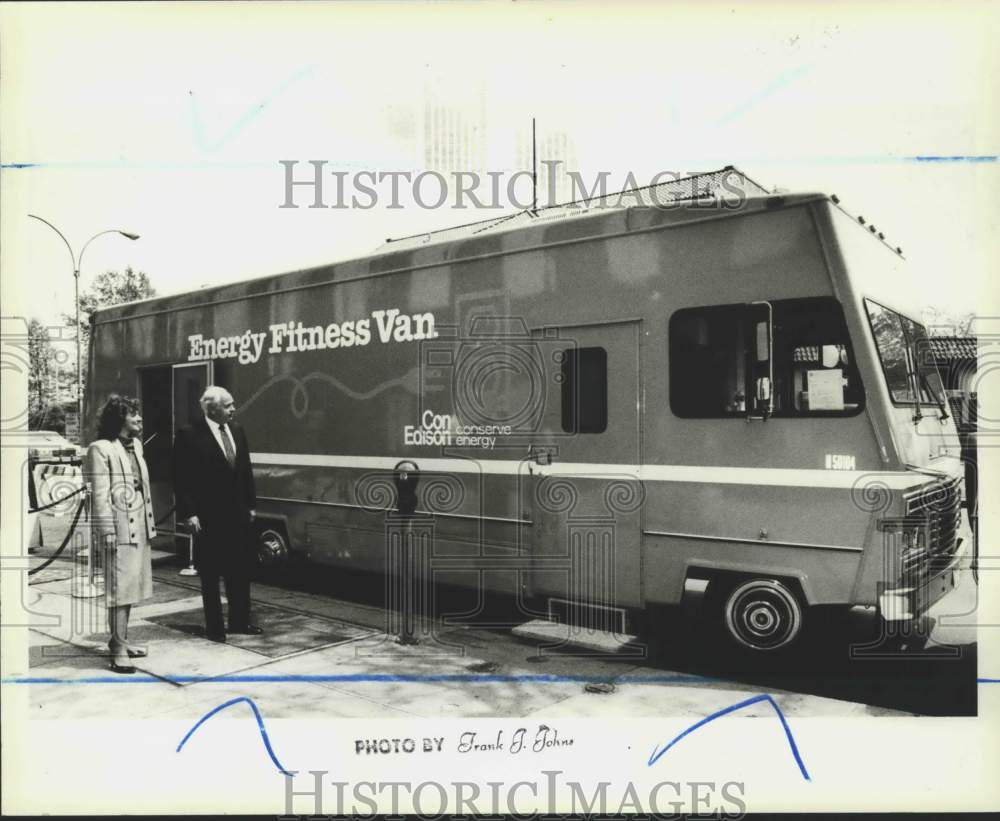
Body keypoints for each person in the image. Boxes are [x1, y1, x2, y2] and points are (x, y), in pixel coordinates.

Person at [172, 385, 261, 642]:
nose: (234, 409)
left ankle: (240, 622)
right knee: (211, 574)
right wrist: (189, 513)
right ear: (212, 408)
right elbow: (182, 478)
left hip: (238, 515)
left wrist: (251, 505)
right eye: (228, 405)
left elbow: (245, 470)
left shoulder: (237, 430)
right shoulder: (189, 435)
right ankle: (215, 627)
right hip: (207, 517)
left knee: (240, 571)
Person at [87, 395, 156, 674]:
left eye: (138, 414)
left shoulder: (136, 446)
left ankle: (122, 641)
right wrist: (107, 531)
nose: (139, 418)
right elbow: (100, 496)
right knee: (119, 589)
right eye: (133, 414)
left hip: (139, 522)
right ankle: (117, 650)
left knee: (131, 588)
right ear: (119, 419)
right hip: (117, 526)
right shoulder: (100, 449)